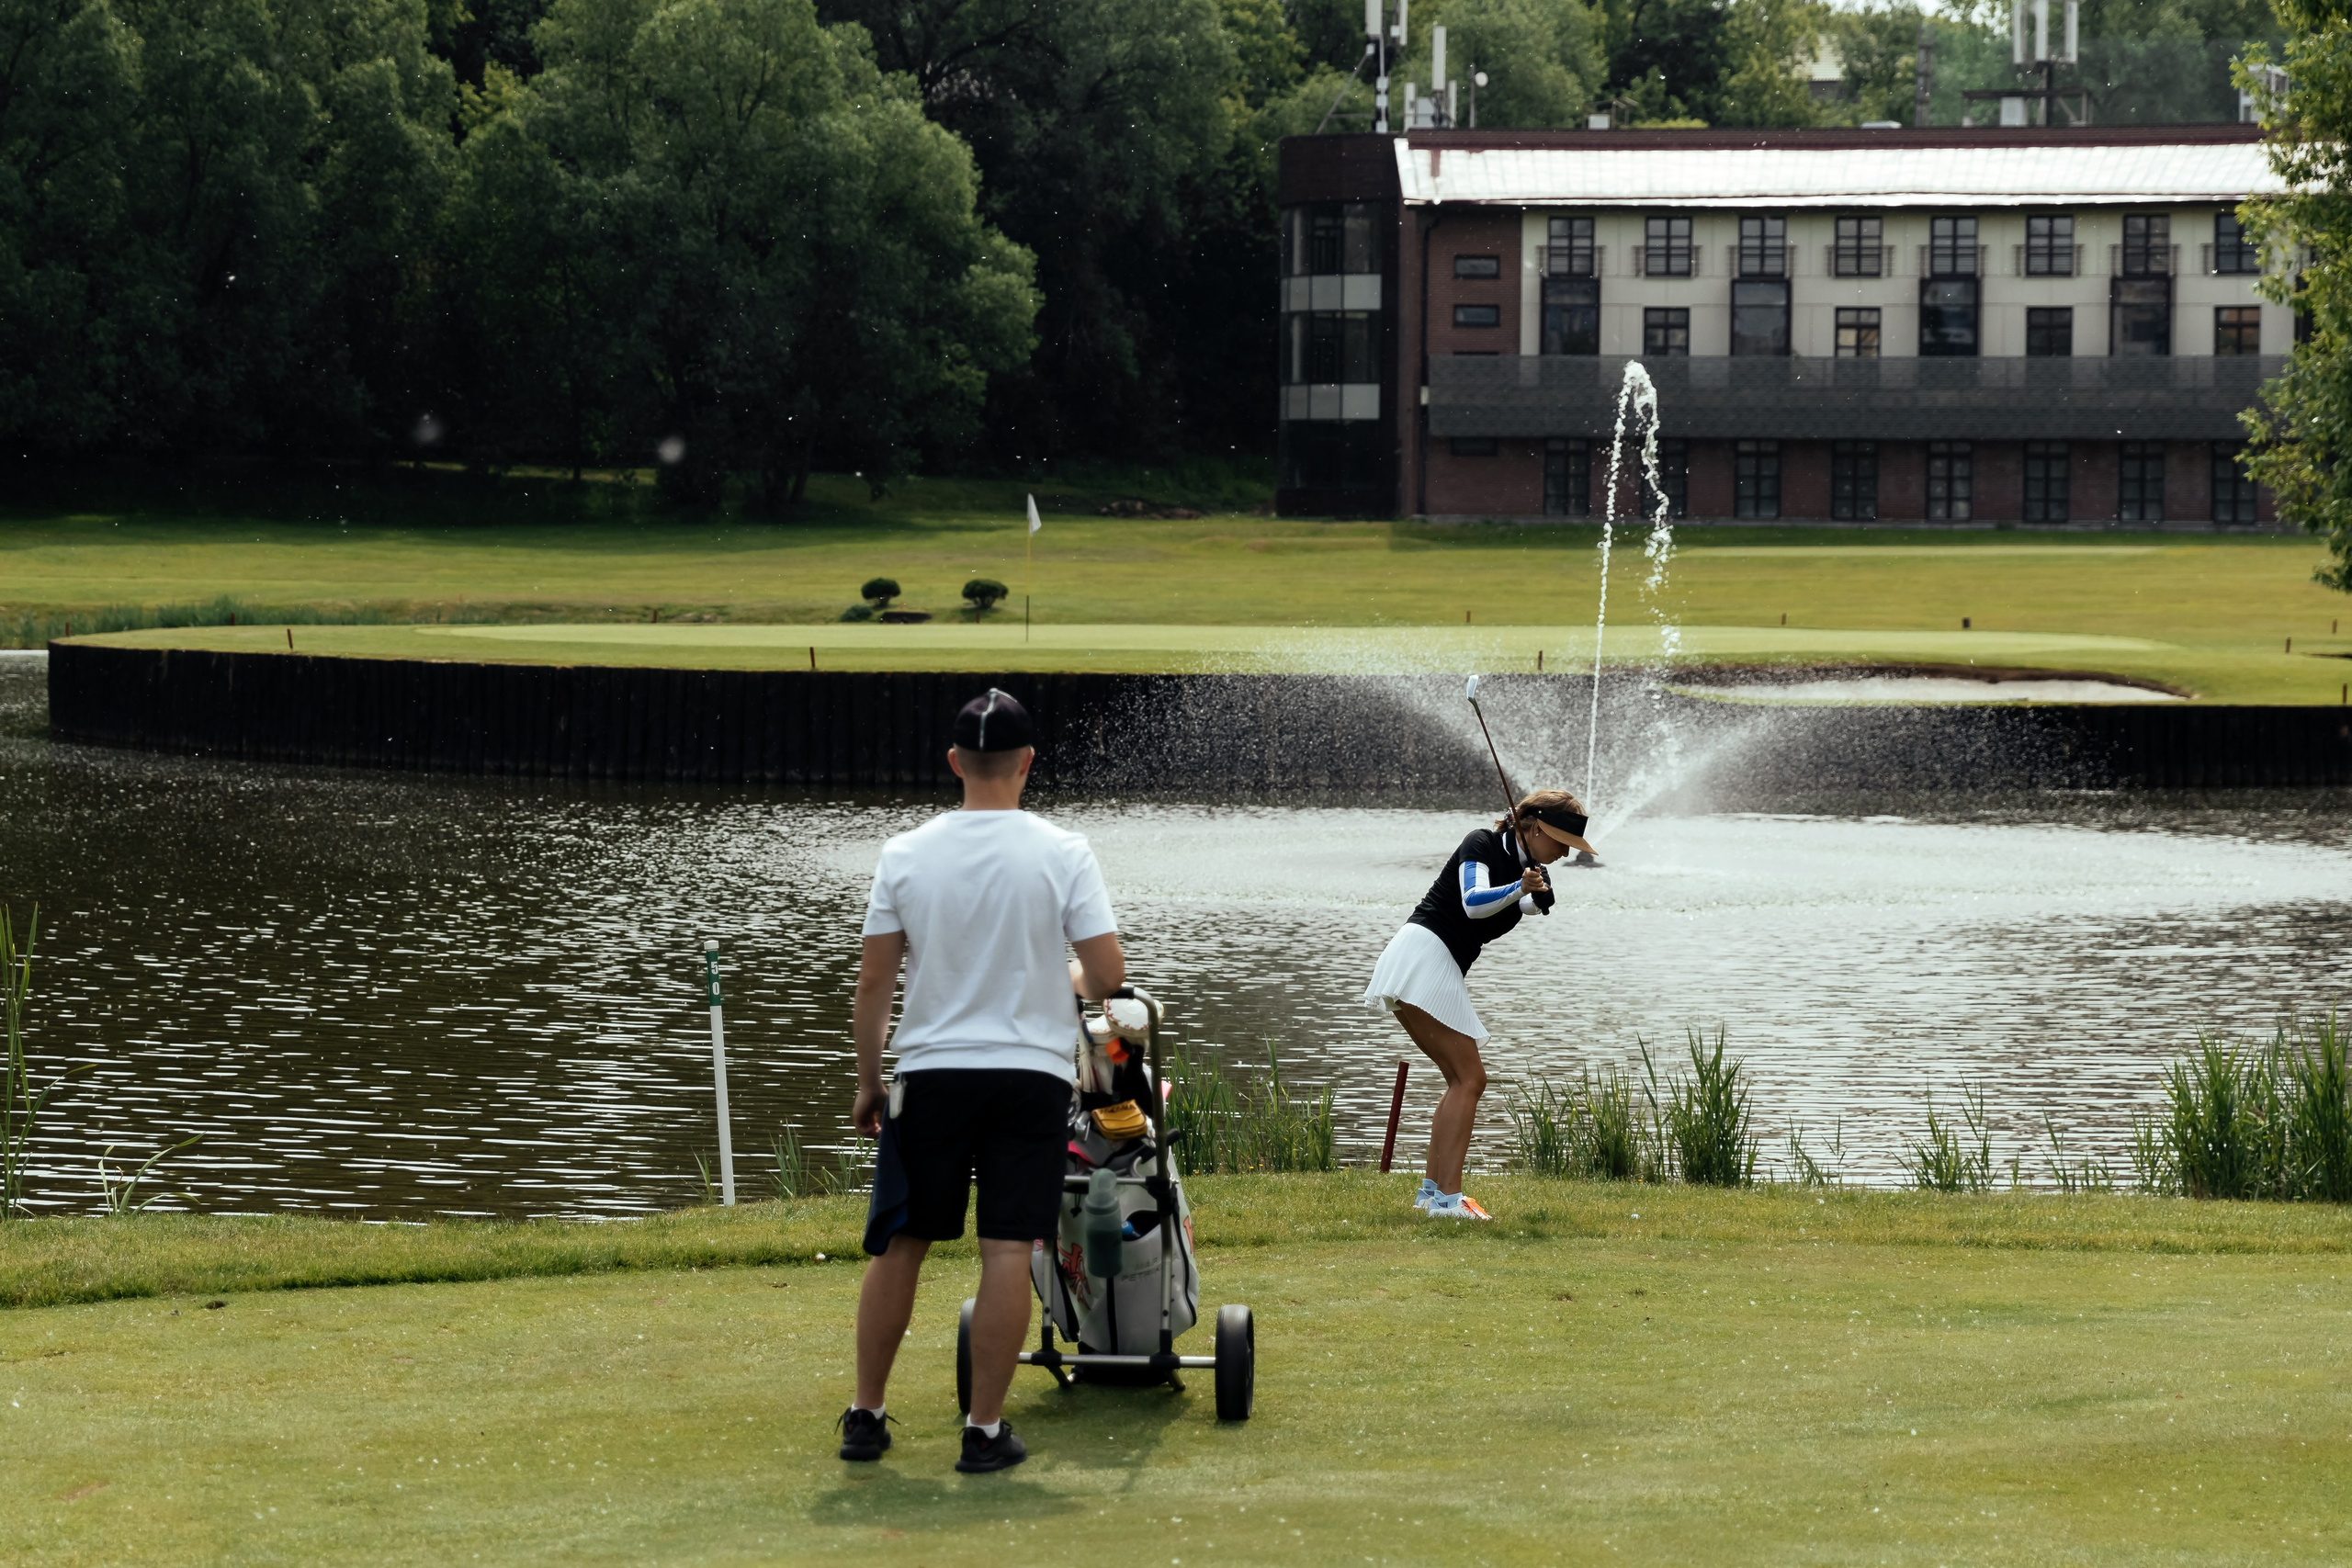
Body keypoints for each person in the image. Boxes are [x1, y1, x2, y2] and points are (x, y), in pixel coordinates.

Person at [837, 688, 1125, 1474]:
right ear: (1029, 763)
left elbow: (871, 985)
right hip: (1027, 1076)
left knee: (901, 1243)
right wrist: (1057, 971)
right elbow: (1107, 976)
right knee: (1006, 1250)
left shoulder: (904, 853)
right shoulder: (1064, 851)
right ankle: (984, 1429)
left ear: (955, 761)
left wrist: (869, 1082)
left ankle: (866, 1414)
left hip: (930, 1071)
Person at [1362, 790, 1597, 1220]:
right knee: (1471, 1078)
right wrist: (1520, 887)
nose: (1565, 853)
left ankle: (1431, 1197)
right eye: (1562, 842)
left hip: (1434, 963)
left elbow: (1517, 905)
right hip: (1424, 955)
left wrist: (1534, 897)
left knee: (1460, 1078)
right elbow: (1473, 903)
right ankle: (1448, 1202)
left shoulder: (1530, 866)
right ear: (1537, 827)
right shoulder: (1481, 844)